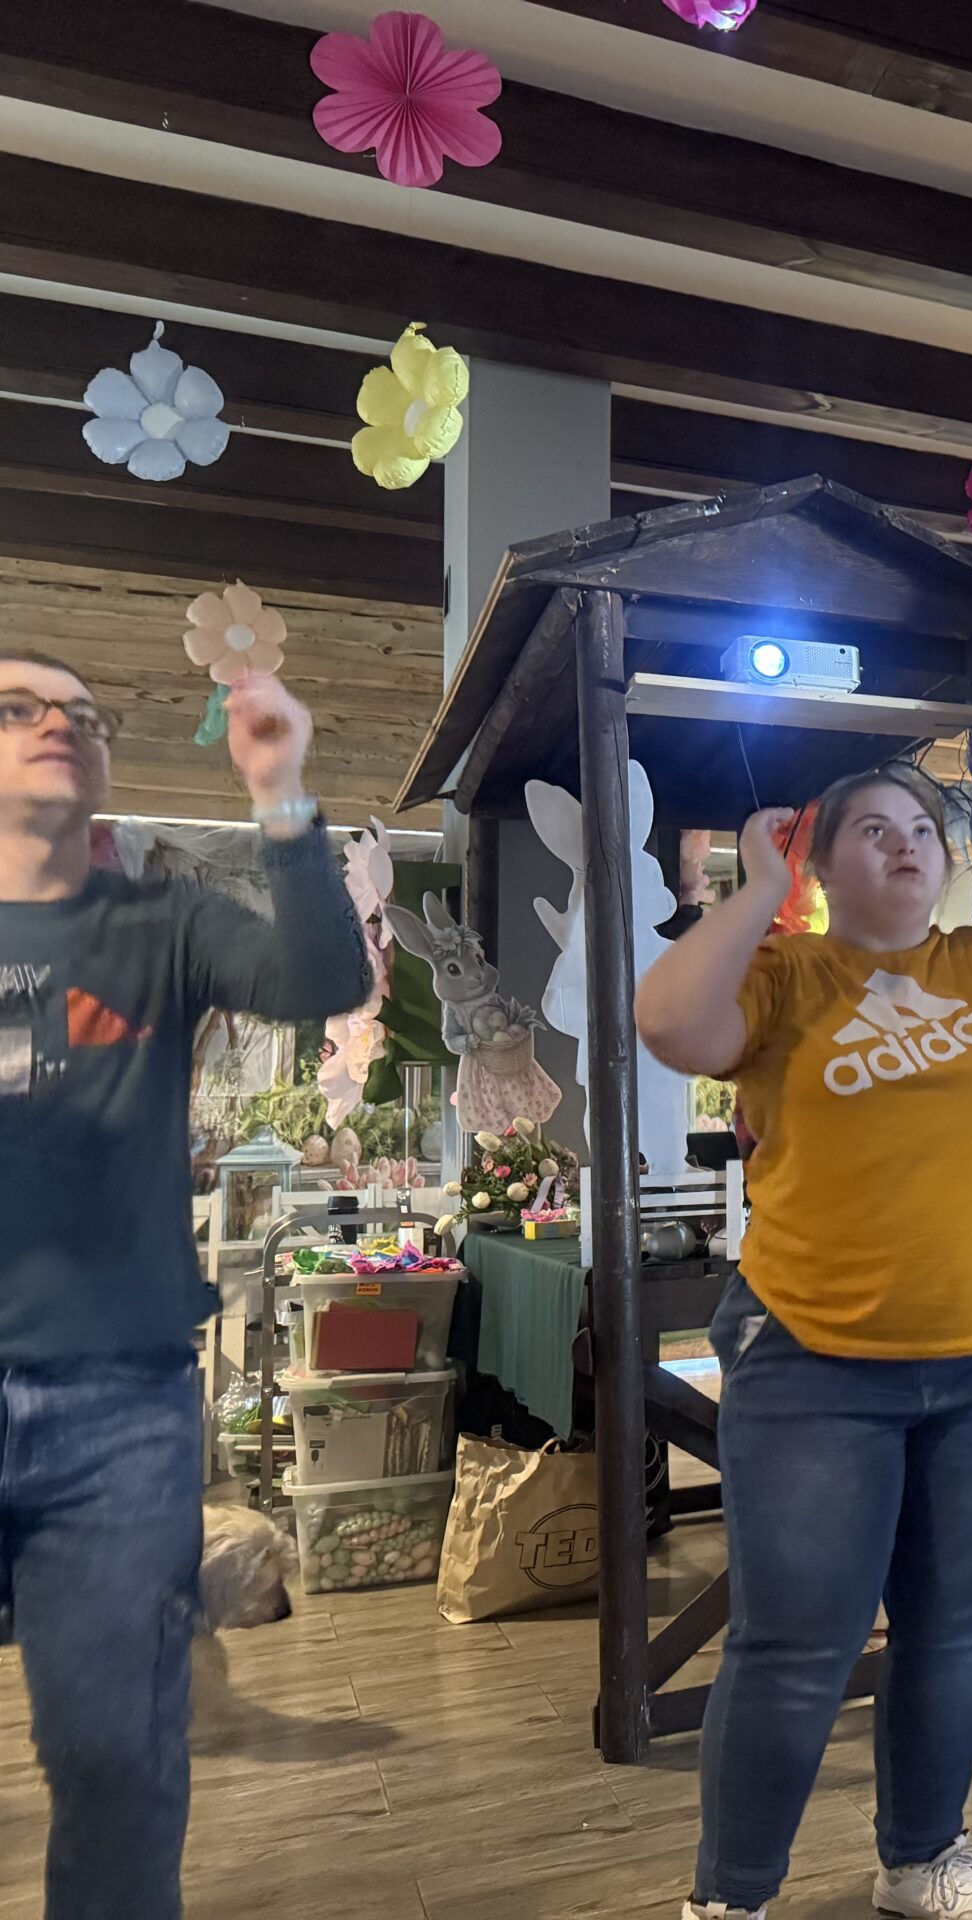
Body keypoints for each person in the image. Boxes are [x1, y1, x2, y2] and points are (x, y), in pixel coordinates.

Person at [637, 746, 972, 1920]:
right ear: (822, 862)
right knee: (796, 1644)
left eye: (921, 828)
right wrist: (760, 888)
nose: (906, 844)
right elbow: (666, 1021)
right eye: (872, 828)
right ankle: (731, 1898)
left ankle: (922, 1858)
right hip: (813, 1361)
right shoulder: (784, 974)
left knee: (954, 1630)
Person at [0, 653, 368, 1918]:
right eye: (18, 707)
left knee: (112, 1754)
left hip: (118, 1406)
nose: (59, 723)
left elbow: (324, 983)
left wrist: (279, 791)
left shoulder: (163, 923)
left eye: (84, 713)